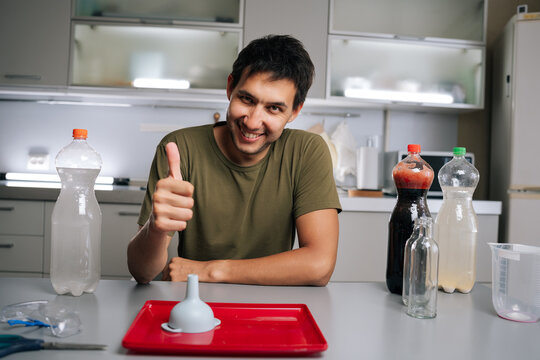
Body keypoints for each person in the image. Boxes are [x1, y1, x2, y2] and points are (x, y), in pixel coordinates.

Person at [127, 35, 341, 286]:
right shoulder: (179, 148)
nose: (252, 122)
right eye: (247, 99)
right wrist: (156, 228)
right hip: (196, 306)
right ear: (230, 88)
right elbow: (141, 272)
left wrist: (211, 271)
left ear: (295, 111)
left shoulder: (307, 151)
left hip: (271, 306)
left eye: (273, 108)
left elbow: (319, 266)